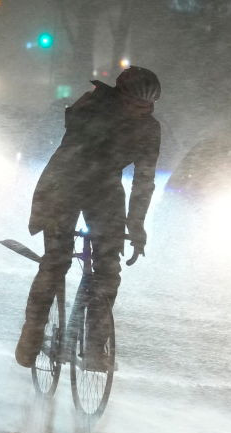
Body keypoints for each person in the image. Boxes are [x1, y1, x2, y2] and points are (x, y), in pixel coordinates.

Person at [16, 66, 162, 370]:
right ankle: (30, 336)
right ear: (120, 96)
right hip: (64, 182)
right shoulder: (96, 105)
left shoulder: (149, 129)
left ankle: (96, 348)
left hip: (105, 188)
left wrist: (136, 224)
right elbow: (75, 148)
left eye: (147, 107)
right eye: (135, 104)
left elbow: (144, 180)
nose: (141, 111)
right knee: (57, 261)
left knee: (108, 269)